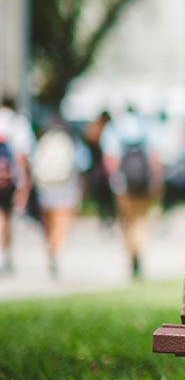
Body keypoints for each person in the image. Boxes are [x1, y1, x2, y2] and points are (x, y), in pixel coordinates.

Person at [101, 107, 163, 279]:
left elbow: (109, 159)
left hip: (122, 184)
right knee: (141, 220)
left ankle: (132, 255)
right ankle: (138, 253)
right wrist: (157, 179)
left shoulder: (114, 128)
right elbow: (154, 156)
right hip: (144, 182)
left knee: (127, 222)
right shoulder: (147, 126)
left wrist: (114, 179)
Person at [30, 115, 86, 278]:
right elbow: (82, 164)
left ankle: (51, 248)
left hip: (46, 187)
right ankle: (55, 250)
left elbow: (34, 164)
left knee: (49, 223)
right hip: (66, 187)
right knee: (61, 224)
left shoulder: (44, 141)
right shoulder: (72, 142)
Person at [0, 96, 35, 275]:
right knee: (7, 218)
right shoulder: (18, 123)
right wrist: (24, 182)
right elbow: (23, 155)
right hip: (9, 179)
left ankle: (5, 254)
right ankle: (6, 254)